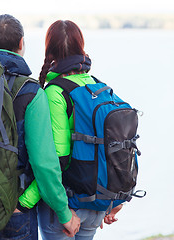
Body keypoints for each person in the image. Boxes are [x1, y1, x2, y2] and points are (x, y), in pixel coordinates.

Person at [0, 14, 80, 240]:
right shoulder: (30, 92)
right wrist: (63, 213)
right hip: (12, 210)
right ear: (21, 43)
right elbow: (45, 164)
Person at [37, 20, 123, 240]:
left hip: (65, 208)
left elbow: (57, 159)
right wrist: (115, 201)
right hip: (96, 204)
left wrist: (24, 201)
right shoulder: (97, 86)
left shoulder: (55, 93)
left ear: (49, 50)